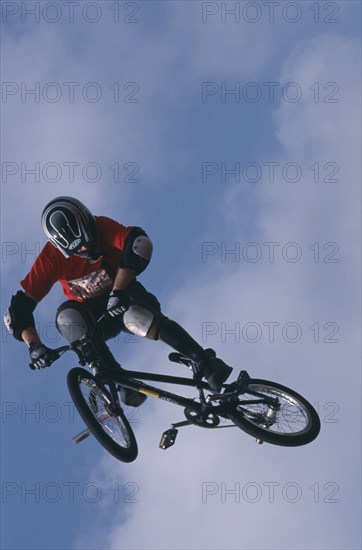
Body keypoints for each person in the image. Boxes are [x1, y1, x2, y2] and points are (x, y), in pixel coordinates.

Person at [4, 196, 232, 406]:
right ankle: (116, 378)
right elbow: (18, 312)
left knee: (136, 317)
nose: (86, 248)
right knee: (66, 318)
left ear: (89, 223)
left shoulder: (102, 226)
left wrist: (118, 292)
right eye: (77, 250)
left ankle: (205, 362)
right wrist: (34, 347)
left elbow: (140, 243)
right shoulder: (51, 259)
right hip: (91, 315)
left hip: (125, 294)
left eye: (87, 240)